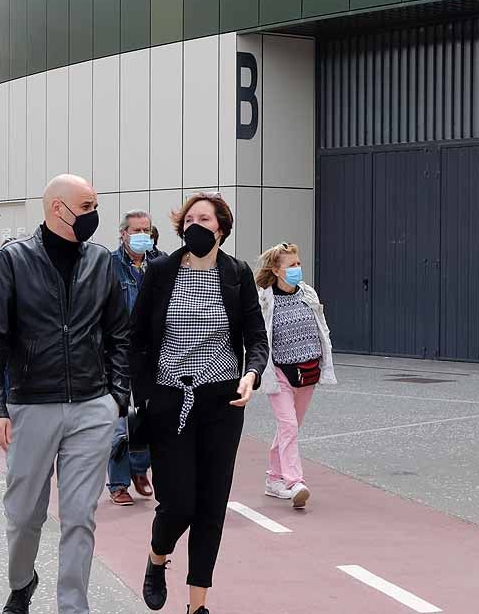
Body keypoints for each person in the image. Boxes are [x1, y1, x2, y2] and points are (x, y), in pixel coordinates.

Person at [0, 174, 130, 614]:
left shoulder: (101, 261)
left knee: (81, 516)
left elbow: (119, 332)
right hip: (31, 403)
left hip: (92, 405)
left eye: (94, 205)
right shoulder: (15, 259)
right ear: (56, 209)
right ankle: (22, 583)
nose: (93, 215)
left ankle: (72, 606)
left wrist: (117, 396)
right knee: (25, 514)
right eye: (86, 207)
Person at [129, 192, 269, 614]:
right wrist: (145, 397)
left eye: (204, 219)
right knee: (179, 504)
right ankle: (158, 555)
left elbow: (256, 338)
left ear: (221, 229)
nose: (195, 225)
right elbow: (136, 340)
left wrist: (251, 374)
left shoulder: (238, 274)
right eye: (189, 218)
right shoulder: (160, 271)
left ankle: (197, 605)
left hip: (222, 402)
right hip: (171, 400)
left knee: (211, 506)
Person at [256, 242, 337, 509]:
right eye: (291, 265)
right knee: (288, 426)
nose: (297, 269)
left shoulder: (308, 293)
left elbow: (322, 328)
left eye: (298, 264)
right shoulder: (265, 299)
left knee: (289, 427)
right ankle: (294, 482)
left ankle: (273, 478)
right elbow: (258, 335)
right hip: (280, 371)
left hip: (308, 372)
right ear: (276, 271)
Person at [106, 210, 161, 507]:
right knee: (119, 420)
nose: (143, 235)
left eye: (147, 230)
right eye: (136, 230)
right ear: (124, 234)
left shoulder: (160, 262)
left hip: (153, 354)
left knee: (147, 417)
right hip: (119, 353)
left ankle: (140, 469)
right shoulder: (110, 265)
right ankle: (118, 483)